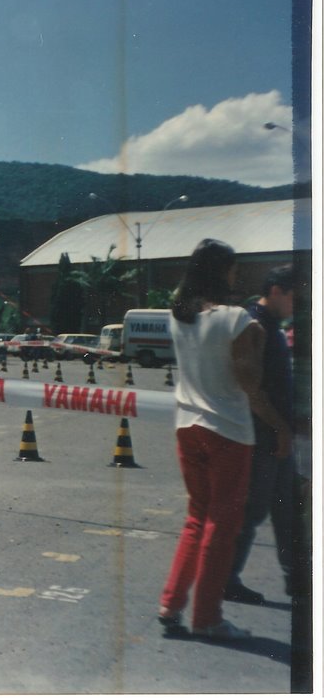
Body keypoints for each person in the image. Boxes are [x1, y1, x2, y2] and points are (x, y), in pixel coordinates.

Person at [157, 238, 278, 641]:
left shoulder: (179, 317)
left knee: (197, 519)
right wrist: (280, 426)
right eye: (232, 268)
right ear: (220, 272)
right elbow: (251, 384)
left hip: (187, 426)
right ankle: (207, 617)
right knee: (221, 526)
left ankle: (171, 604)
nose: (236, 275)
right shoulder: (236, 319)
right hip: (228, 430)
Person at [224, 265, 295, 605]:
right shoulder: (255, 324)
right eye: (297, 296)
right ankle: (227, 579)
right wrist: (281, 427)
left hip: (278, 433)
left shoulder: (274, 326)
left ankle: (298, 581)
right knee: (253, 510)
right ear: (278, 290)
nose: (301, 303)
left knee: (288, 509)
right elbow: (252, 388)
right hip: (262, 435)